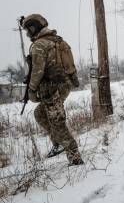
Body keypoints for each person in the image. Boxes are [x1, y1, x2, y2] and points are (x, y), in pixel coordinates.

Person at [21, 14, 84, 166]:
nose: (28, 34)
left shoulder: (40, 45)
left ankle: (75, 159)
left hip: (51, 89)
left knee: (58, 123)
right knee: (40, 113)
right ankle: (58, 143)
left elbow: (37, 71)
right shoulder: (58, 41)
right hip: (63, 87)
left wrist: (31, 91)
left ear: (33, 27)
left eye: (28, 31)